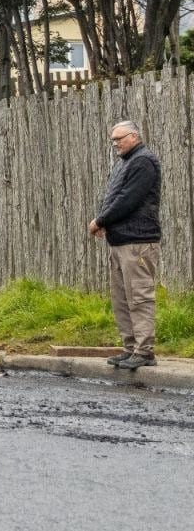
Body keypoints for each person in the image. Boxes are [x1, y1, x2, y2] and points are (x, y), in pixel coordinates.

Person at [88, 120, 162, 370]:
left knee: (139, 296)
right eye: (113, 140)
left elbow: (127, 200)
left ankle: (144, 350)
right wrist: (107, 223)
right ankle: (130, 348)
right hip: (121, 240)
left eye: (119, 139)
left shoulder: (143, 161)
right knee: (121, 297)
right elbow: (115, 196)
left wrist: (101, 220)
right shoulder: (127, 162)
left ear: (134, 136)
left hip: (138, 241)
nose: (115, 144)